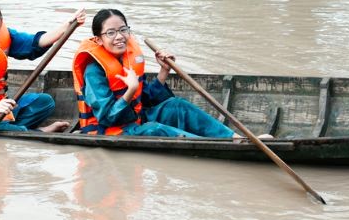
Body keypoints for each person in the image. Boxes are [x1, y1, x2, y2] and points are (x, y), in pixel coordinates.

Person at [71, 9, 247, 138]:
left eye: (123, 30)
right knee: (155, 130)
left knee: (177, 106)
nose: (119, 37)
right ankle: (221, 145)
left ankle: (234, 138)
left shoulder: (128, 59)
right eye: (111, 33)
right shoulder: (94, 71)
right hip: (111, 130)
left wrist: (164, 71)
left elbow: (145, 99)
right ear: (99, 40)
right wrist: (130, 90)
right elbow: (107, 117)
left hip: (136, 119)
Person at [0, 0, 86, 132]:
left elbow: (34, 42)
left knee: (46, 102)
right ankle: (41, 131)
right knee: (7, 130)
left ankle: (16, 127)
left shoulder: (3, 35)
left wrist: (68, 25)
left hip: (3, 107)